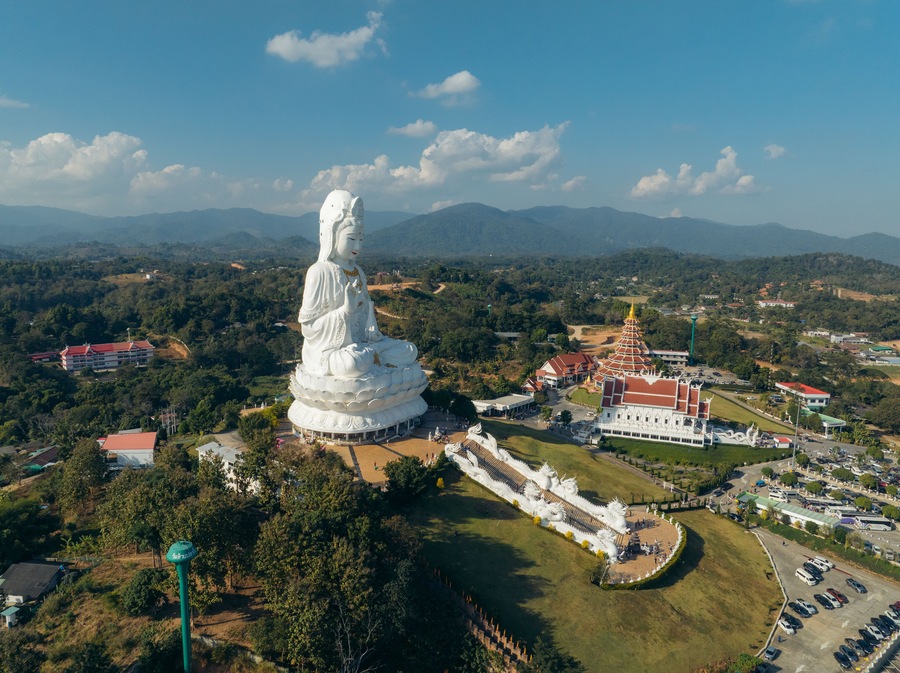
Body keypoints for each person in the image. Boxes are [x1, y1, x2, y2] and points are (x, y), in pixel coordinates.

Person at [299, 190, 418, 378]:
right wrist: (344, 311)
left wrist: (372, 328)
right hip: (333, 351)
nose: (358, 246)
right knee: (351, 364)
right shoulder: (320, 272)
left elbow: (364, 316)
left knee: (409, 350)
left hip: (363, 345)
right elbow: (309, 328)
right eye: (352, 239)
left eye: (361, 239)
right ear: (332, 235)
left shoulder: (359, 272)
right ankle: (371, 359)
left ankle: (372, 357)